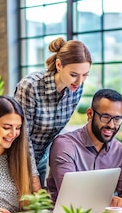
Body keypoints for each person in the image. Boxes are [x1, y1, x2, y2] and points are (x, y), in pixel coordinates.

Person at [14, 37, 92, 190]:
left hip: (41, 159)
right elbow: (23, 136)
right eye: (74, 74)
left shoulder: (76, 89)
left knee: (37, 209)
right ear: (59, 65)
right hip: (18, 159)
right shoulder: (31, 86)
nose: (80, 81)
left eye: (85, 75)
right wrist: (33, 176)